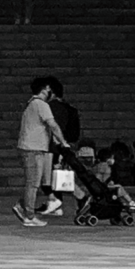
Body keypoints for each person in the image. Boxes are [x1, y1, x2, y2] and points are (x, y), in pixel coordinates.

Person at [14, 76, 68, 226]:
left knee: (33, 182)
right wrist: (63, 142)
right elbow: (53, 125)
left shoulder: (31, 104)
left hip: (30, 147)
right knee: (33, 183)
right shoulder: (41, 104)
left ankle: (23, 207)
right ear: (46, 89)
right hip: (34, 148)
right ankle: (29, 216)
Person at [36, 76, 80, 215]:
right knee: (58, 178)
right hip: (58, 147)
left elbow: (54, 128)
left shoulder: (54, 108)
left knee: (49, 178)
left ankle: (81, 198)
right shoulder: (65, 107)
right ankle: (55, 203)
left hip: (53, 148)